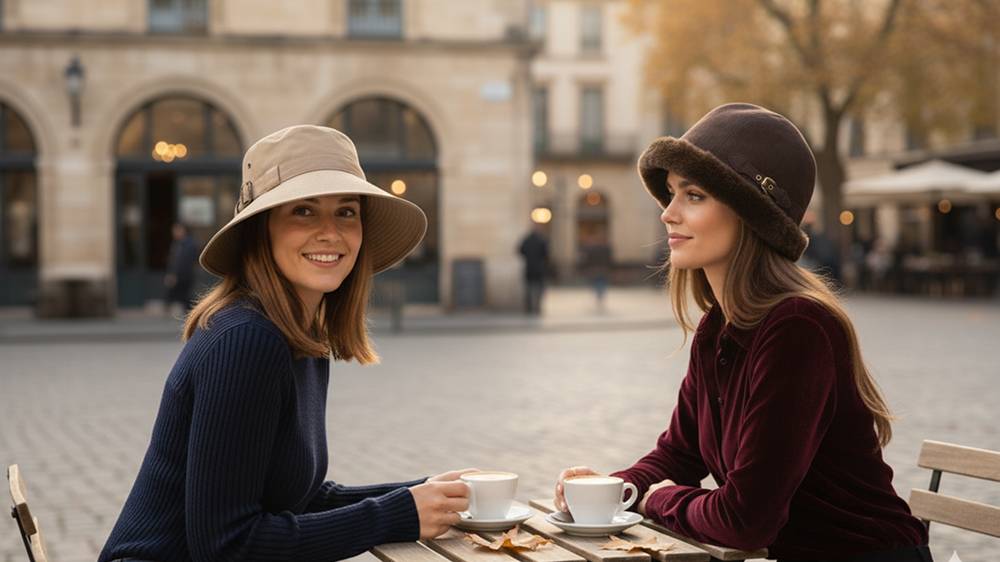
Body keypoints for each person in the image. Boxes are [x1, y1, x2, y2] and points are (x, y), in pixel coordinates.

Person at [552, 104, 931, 562]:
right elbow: (678, 453)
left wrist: (660, 500)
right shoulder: (718, 327)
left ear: (749, 216)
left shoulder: (798, 329)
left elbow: (747, 519)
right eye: (671, 194)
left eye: (693, 195)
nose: (667, 214)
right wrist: (615, 489)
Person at [99, 125, 473, 562]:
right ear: (263, 230)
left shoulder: (300, 336)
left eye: (347, 212)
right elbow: (227, 546)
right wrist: (397, 514)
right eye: (304, 211)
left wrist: (426, 494)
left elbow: (295, 497)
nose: (331, 233)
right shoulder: (246, 340)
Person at [163, 222, 200, 315]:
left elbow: (184, 262)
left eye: (176, 230)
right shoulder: (177, 244)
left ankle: (194, 313)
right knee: (182, 297)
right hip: (179, 275)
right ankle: (192, 314)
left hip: (185, 276)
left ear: (183, 230)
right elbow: (173, 261)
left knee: (184, 297)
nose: (174, 233)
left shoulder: (189, 244)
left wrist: (175, 275)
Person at [518, 224, 549, 314]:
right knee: (540, 288)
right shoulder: (542, 240)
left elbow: (520, 250)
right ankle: (537, 306)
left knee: (528, 288)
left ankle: (529, 307)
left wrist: (528, 257)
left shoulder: (526, 240)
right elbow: (546, 254)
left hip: (529, 267)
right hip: (539, 268)